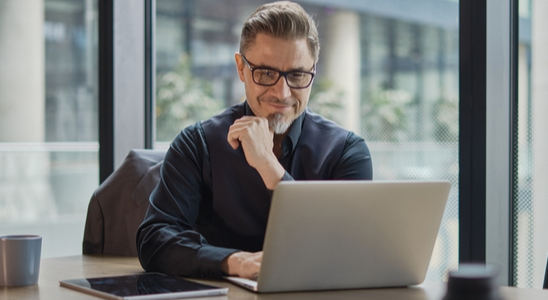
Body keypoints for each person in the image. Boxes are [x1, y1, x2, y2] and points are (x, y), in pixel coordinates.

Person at [136, 1, 372, 280]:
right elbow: (154, 240)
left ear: (313, 72)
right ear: (241, 68)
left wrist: (268, 166)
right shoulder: (197, 144)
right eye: (266, 73)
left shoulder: (348, 152)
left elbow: (348, 251)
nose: (282, 93)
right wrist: (234, 262)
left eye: (297, 75)